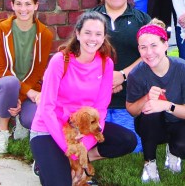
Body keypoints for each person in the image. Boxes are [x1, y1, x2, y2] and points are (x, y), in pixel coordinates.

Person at [30, 11, 137, 186]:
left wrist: (83, 148)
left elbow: (101, 109)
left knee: (127, 140)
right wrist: (71, 150)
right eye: (87, 32)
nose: (92, 38)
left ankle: (76, 162)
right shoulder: (60, 61)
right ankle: (48, 161)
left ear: (104, 37)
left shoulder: (106, 63)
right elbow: (46, 108)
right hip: (50, 128)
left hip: (83, 126)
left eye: (98, 34)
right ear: (78, 34)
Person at [126, 19, 185, 183]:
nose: (149, 52)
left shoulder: (184, 69)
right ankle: (149, 162)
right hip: (151, 125)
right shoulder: (136, 74)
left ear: (165, 45)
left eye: (154, 45)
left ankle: (173, 152)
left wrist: (166, 105)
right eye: (143, 47)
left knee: (184, 148)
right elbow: (131, 109)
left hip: (180, 121)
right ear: (139, 49)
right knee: (150, 111)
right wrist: (147, 98)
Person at [0, 0, 52, 154]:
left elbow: (38, 72)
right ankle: (3, 131)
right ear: (12, 5)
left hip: (28, 91)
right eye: (19, 4)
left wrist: (20, 97)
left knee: (33, 119)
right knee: (11, 83)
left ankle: (21, 121)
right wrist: (23, 94)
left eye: (28, 4)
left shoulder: (45, 35)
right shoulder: (1, 30)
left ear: (36, 6)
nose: (23, 9)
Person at [92, 0, 151, 152]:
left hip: (128, 99)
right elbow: (81, 55)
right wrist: (107, 78)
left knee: (132, 146)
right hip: (95, 98)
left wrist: (123, 75)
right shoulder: (91, 18)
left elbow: (152, 56)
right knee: (92, 140)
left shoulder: (141, 20)